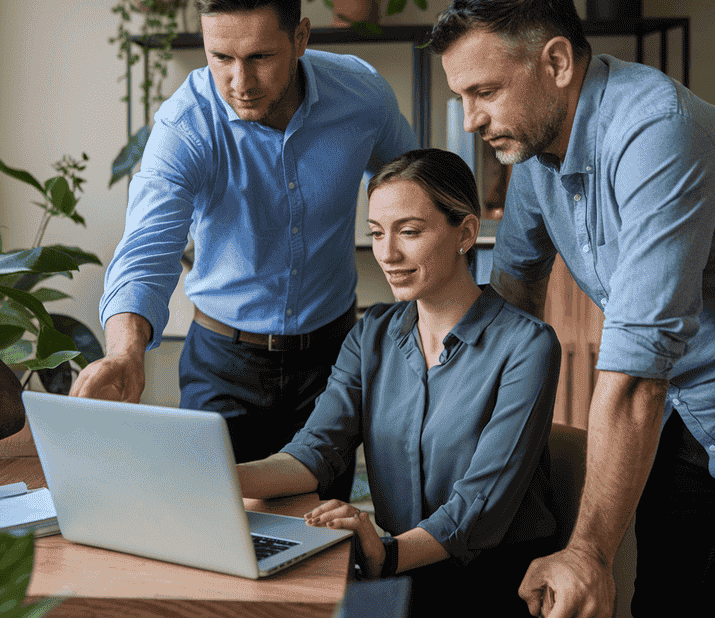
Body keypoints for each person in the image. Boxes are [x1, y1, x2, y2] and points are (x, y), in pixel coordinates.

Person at [70, 0, 418, 500]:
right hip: (223, 366)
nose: (239, 80)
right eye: (220, 58)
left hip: (332, 360)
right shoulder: (186, 124)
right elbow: (147, 249)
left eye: (260, 57)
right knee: (209, 526)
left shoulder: (361, 95)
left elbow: (415, 185)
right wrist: (125, 351)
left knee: (322, 537)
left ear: (301, 38)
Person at [427, 0, 715, 618]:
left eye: (485, 92)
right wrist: (475, 431)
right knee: (665, 598)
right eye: (460, 97)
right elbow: (515, 288)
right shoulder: (534, 150)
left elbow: (636, 371)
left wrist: (587, 552)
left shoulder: (656, 131)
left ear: (556, 61)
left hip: (682, 388)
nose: (470, 119)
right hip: (676, 412)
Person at [237, 148, 562, 613]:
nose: (387, 254)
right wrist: (220, 477)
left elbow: (480, 504)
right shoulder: (371, 334)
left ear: (465, 233)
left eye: (409, 232)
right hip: (401, 569)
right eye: (376, 233)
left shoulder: (527, 346)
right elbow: (316, 451)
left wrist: (387, 554)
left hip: (496, 585)